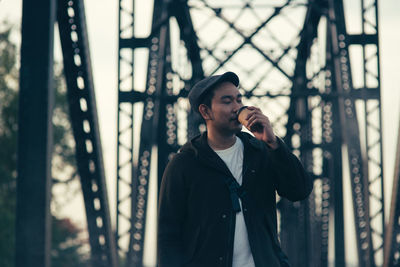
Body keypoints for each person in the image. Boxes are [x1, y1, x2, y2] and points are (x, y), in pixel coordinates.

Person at [157, 71, 313, 267]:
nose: (237, 108)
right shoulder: (184, 164)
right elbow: (168, 235)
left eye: (239, 100)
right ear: (206, 112)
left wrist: (274, 144)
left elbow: (300, 190)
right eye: (227, 101)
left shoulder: (260, 153)